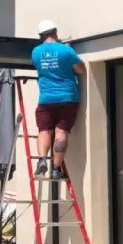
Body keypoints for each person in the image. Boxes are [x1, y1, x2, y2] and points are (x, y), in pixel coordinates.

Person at [30, 20, 85, 178]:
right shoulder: (66, 51)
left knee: (44, 131)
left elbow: (41, 67)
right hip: (68, 98)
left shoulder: (35, 52)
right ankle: (55, 168)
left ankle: (42, 160)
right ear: (55, 32)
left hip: (46, 99)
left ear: (41, 36)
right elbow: (81, 70)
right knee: (61, 132)